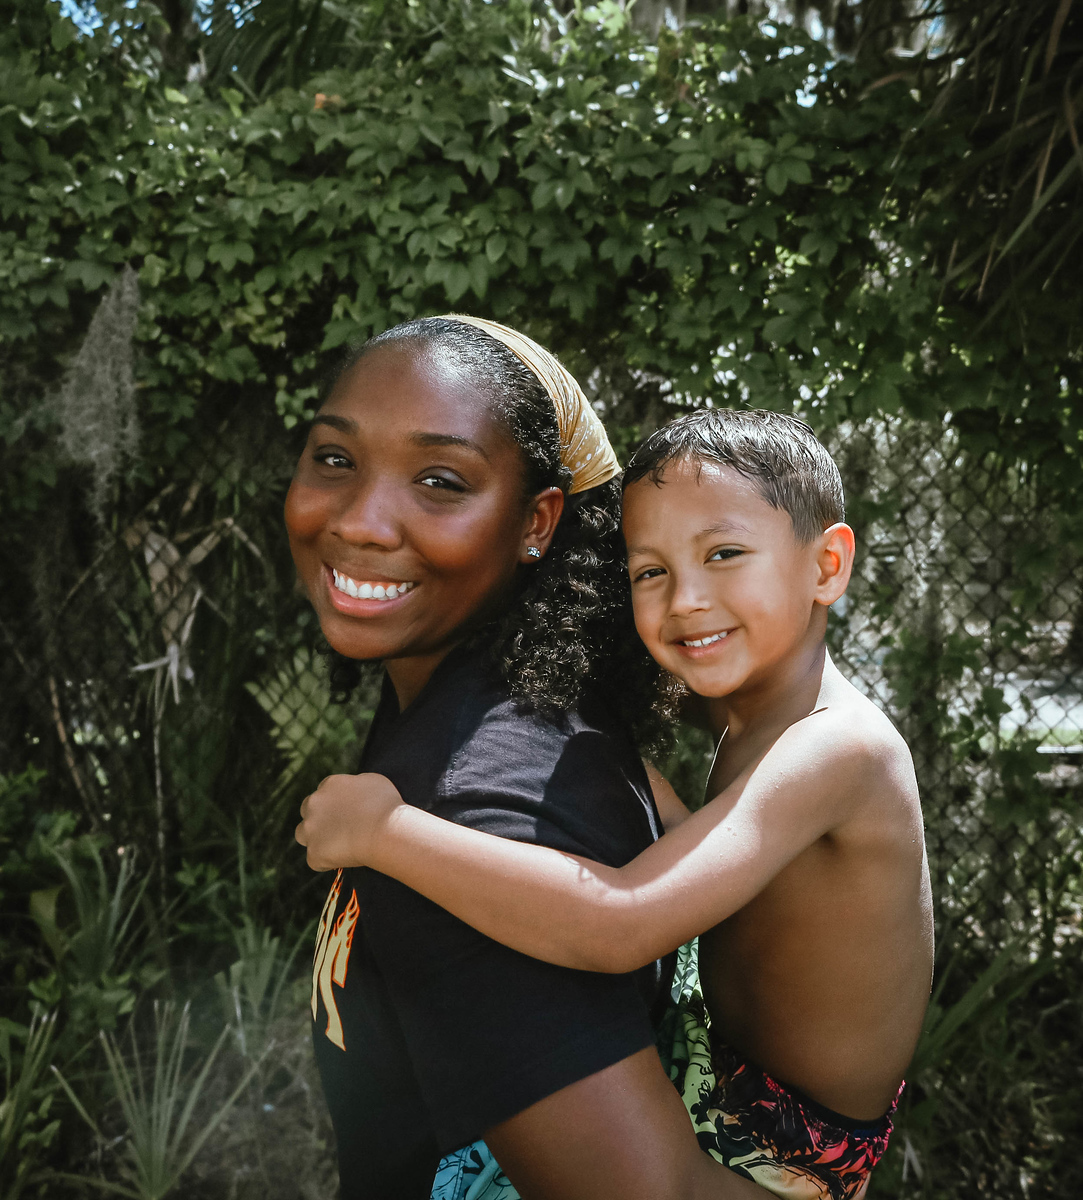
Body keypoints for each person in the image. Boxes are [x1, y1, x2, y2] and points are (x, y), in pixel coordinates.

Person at [297, 409, 935, 1199]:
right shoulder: (760, 709)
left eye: (724, 555)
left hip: (780, 1159)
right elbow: (725, 861)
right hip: (719, 1075)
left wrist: (385, 832)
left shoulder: (839, 748)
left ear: (826, 565)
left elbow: (622, 925)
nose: (686, 600)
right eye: (649, 572)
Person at [286, 317, 764, 1200]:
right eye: (334, 459)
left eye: (439, 481)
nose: (358, 521)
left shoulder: (470, 812)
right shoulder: (485, 711)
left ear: (536, 521)